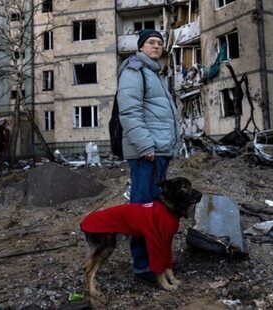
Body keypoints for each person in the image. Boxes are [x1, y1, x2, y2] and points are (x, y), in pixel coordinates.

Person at [117, 29, 180, 284]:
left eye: (160, 43)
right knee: (143, 210)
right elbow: (129, 110)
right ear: (141, 46)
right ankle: (142, 266)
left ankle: (153, 262)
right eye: (151, 42)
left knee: (154, 210)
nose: (157, 46)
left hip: (158, 150)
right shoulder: (135, 70)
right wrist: (145, 146)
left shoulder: (152, 73)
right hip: (147, 153)